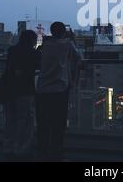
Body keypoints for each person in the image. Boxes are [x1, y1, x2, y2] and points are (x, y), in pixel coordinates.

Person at [35, 22, 81, 161]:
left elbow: (37, 59)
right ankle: (56, 154)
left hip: (42, 88)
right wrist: (72, 39)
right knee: (58, 124)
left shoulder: (44, 45)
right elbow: (78, 57)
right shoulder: (67, 44)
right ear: (63, 32)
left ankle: (42, 153)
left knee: (43, 124)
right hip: (60, 89)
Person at [3, 30, 40, 160]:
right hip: (25, 90)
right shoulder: (32, 53)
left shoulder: (12, 50)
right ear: (31, 40)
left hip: (9, 89)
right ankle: (22, 149)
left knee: (10, 120)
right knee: (25, 121)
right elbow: (38, 64)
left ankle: (8, 147)